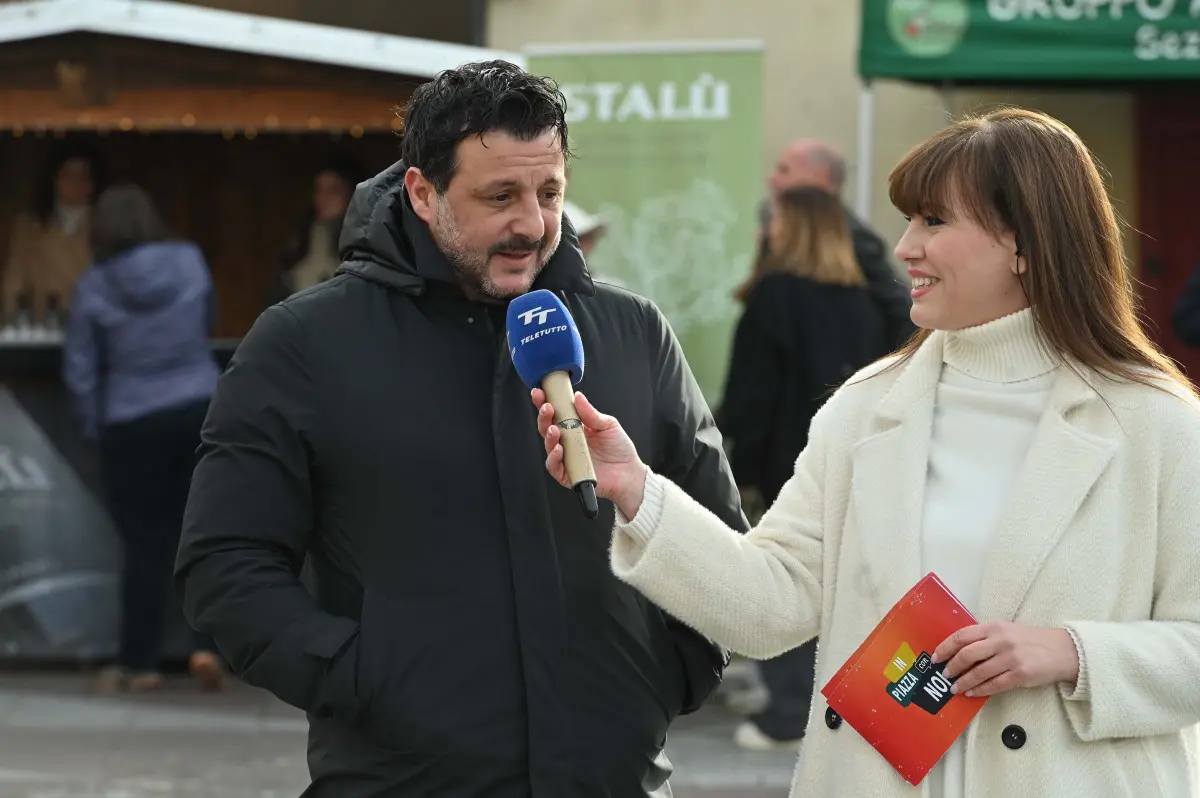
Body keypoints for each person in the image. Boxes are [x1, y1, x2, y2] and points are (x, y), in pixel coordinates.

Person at [532, 108, 1200, 797]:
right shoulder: (868, 406)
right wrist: (637, 490)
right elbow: (770, 603)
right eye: (909, 220)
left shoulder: (1155, 421)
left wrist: (1072, 654)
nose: (906, 246)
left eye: (934, 221)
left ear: (1024, 242)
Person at [175, 60, 745, 797]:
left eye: (549, 194)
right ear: (422, 193)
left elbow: (717, 541)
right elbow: (226, 562)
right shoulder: (304, 344)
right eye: (499, 196)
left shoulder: (632, 332)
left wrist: (663, 679)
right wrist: (363, 680)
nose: (532, 224)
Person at [721, 186, 890, 751]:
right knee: (851, 589)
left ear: (790, 229)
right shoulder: (865, 299)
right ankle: (851, 709)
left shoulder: (775, 295)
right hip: (863, 464)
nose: (762, 233)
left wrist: (741, 467)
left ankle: (790, 714)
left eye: (770, 223)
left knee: (789, 581)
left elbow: (751, 395)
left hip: (789, 465)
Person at [62, 184, 224, 693]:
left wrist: (94, 428)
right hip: (198, 408)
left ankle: (142, 662)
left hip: (130, 420)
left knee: (144, 546)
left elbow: (80, 370)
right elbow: (208, 322)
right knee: (201, 533)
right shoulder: (189, 260)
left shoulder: (94, 285)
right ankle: (207, 646)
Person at [760, 138, 914, 346]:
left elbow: (896, 305)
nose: (772, 179)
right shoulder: (771, 226)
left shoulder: (854, 239)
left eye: (784, 170)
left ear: (822, 177)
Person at [3, 145, 104, 327]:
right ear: (55, 180)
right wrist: (10, 322)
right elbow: (14, 280)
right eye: (68, 175)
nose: (76, 182)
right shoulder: (29, 226)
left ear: (92, 184)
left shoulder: (106, 224)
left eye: (83, 176)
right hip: (43, 325)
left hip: (93, 326)